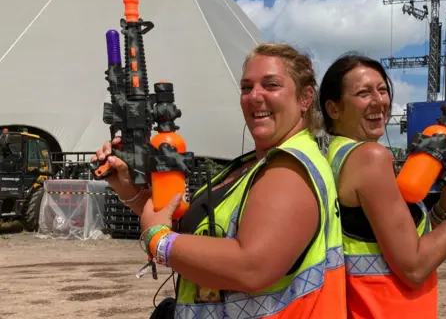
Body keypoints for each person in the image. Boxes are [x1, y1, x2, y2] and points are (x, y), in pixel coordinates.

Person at [92, 43, 347, 319]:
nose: (255, 96)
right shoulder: (250, 166)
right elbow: (189, 230)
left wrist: (159, 242)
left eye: (271, 85)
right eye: (247, 87)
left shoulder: (290, 169)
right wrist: (128, 188)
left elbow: (251, 266)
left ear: (306, 97)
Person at [318, 53, 446, 319]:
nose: (379, 101)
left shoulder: (338, 155)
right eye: (363, 93)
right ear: (334, 109)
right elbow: (414, 268)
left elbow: (396, 238)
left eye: (382, 90)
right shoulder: (370, 158)